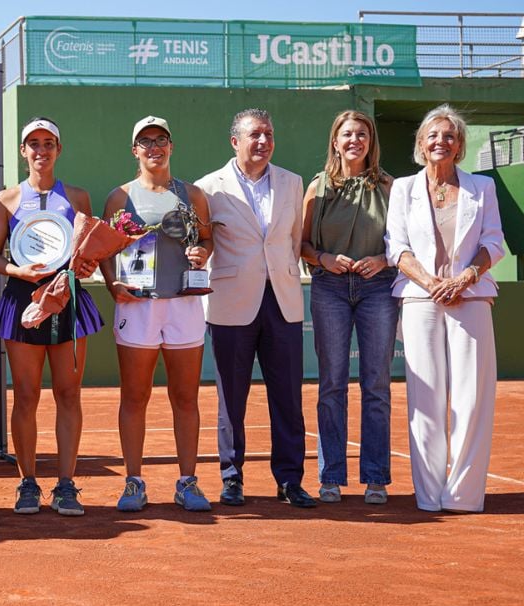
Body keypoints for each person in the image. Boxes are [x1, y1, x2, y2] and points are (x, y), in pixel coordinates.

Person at [385, 104, 505, 513]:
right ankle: (429, 495)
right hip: (420, 298)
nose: (441, 141)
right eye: (433, 135)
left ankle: (464, 496)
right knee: (426, 398)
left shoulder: (482, 187)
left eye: (449, 136)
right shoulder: (402, 188)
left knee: (472, 398)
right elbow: (396, 248)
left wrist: (464, 278)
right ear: (421, 144)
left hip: (470, 297)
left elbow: (494, 243)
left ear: (459, 146)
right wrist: (433, 283)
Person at [196, 109, 316, 508]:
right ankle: (232, 477)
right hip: (230, 303)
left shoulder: (293, 182)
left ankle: (290, 479)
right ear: (235, 141)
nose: (263, 142)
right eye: (254, 135)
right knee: (232, 398)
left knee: (288, 396)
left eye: (269, 134)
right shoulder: (208, 188)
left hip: (282, 301)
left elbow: (294, 240)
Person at [0, 118, 101, 516]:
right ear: (23, 151)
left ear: (58, 149)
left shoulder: (79, 197)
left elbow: (87, 252)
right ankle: (28, 483)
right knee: (27, 395)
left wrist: (85, 267)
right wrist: (18, 271)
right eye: (33, 143)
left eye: (48, 143)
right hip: (23, 302)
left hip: (68, 300)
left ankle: (66, 485)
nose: (41, 150)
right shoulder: (5, 200)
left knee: (69, 394)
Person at [100, 115, 214, 513]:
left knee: (186, 397)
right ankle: (134, 482)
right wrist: (115, 284)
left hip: (184, 304)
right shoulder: (119, 197)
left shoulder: (194, 195)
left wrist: (203, 253)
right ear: (135, 151)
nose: (154, 147)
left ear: (171, 145)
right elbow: (105, 251)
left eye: (160, 139)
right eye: (145, 141)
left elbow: (205, 238)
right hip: (139, 306)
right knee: (135, 396)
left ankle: (187, 481)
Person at [300, 110, 396, 504]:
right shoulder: (317, 188)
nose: (355, 140)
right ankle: (330, 477)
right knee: (332, 384)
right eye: (347, 134)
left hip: (379, 287)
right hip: (329, 288)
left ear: (370, 142)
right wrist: (324, 259)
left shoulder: (391, 187)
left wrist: (384, 260)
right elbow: (302, 245)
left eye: (362, 134)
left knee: (376, 385)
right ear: (335, 141)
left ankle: (375, 478)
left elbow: (407, 242)